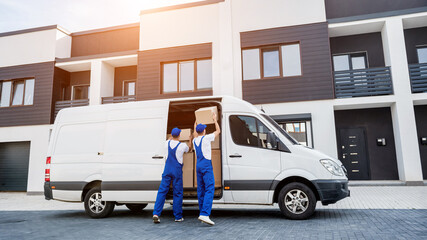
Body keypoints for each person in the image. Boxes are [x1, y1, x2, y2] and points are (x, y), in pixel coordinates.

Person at [152, 127, 192, 223]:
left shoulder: (166, 143)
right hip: (176, 171)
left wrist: (170, 138)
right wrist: (190, 140)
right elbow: (189, 149)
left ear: (171, 135)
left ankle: (156, 213)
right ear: (179, 135)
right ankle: (178, 217)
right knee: (177, 193)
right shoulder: (182, 146)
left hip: (167, 170)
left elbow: (169, 139)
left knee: (162, 192)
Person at [193, 112, 220, 226]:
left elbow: (195, 132)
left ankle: (202, 213)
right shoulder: (206, 138)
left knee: (201, 190)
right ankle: (205, 214)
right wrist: (214, 120)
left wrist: (196, 120)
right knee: (210, 188)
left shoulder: (195, 140)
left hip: (198, 165)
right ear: (203, 131)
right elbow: (218, 131)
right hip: (206, 165)